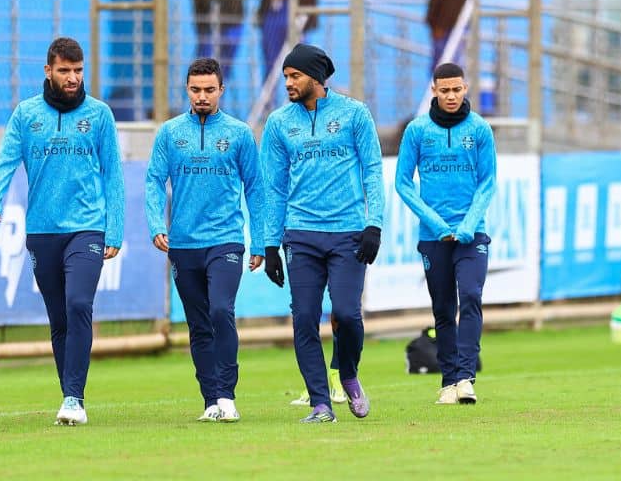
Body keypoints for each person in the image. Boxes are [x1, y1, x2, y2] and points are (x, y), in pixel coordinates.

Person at [0, 37, 124, 426]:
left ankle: (74, 398)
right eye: (65, 71)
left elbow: (113, 173)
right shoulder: (26, 114)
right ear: (48, 71)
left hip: (87, 228)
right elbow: (6, 160)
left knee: (79, 304)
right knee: (59, 318)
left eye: (78, 71)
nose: (73, 77)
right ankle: (70, 394)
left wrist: (115, 229)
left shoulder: (99, 115)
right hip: (42, 231)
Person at [260, 43, 383, 423]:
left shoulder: (354, 114)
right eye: (285, 77)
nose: (288, 84)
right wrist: (269, 243)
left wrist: (373, 223)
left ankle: (347, 372)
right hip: (301, 235)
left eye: (294, 76)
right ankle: (320, 403)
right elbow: (274, 186)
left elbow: (373, 171)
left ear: (317, 77)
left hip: (348, 233)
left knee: (346, 314)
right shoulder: (279, 123)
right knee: (304, 318)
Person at [145, 58, 264, 423]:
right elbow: (153, 180)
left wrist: (259, 241)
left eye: (209, 90)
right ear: (187, 90)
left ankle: (227, 394)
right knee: (198, 324)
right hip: (183, 243)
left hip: (226, 240)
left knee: (220, 311)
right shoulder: (169, 133)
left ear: (221, 90)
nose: (202, 96)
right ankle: (210, 399)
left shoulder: (240, 133)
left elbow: (256, 188)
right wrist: (155, 224)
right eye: (195, 90)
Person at [395, 63, 496, 405]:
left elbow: (488, 182)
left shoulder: (480, 129)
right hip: (433, 237)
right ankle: (449, 380)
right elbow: (402, 183)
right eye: (444, 90)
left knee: (470, 296)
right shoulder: (418, 131)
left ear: (465, 89)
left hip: (472, 235)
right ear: (434, 91)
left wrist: (468, 225)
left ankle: (466, 378)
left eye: (457, 89)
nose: (451, 96)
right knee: (442, 309)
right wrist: (437, 224)